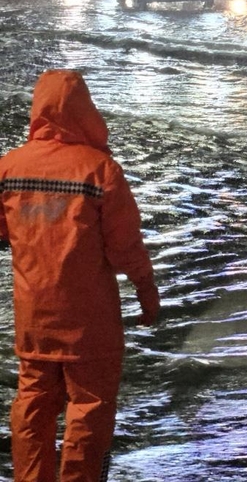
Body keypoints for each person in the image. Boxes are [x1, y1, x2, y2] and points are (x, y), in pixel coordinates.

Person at [0, 70, 160, 482]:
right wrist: (147, 293)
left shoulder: (9, 168)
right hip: (91, 324)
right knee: (89, 410)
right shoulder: (101, 170)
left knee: (33, 406)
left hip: (34, 319)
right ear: (85, 110)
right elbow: (125, 247)